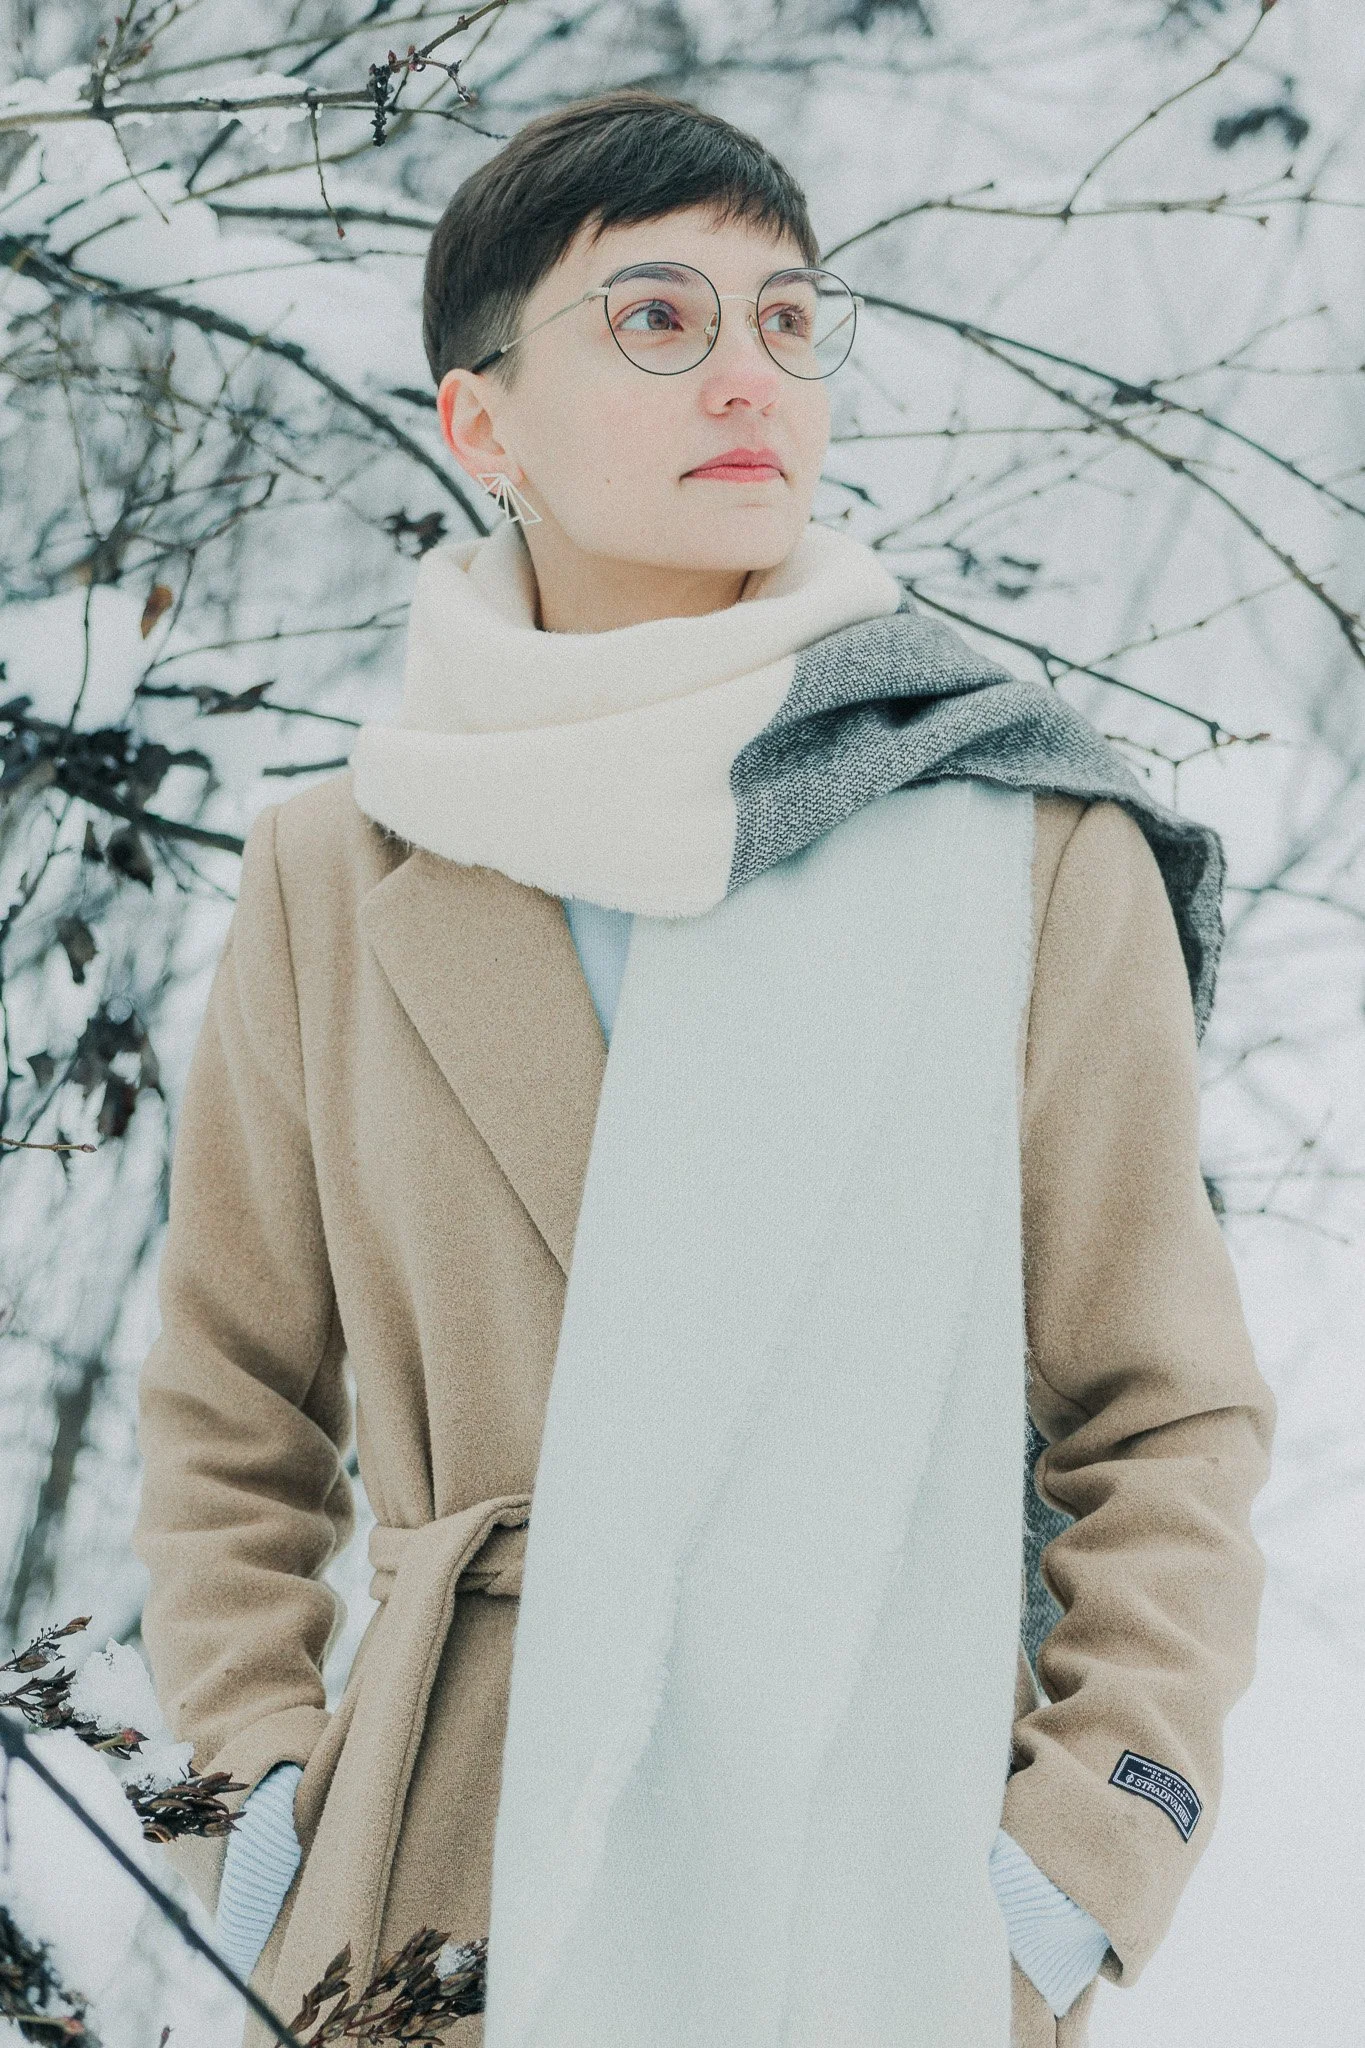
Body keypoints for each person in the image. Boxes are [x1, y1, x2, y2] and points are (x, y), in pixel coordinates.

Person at [131, 88, 1277, 2048]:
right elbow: (228, 1404)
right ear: (478, 422)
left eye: (786, 321)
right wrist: (258, 1802)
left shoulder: (1008, 837)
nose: (746, 372)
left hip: (879, 1901)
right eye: (656, 320)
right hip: (434, 1901)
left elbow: (1158, 1421)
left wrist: (1072, 1872)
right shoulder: (343, 867)